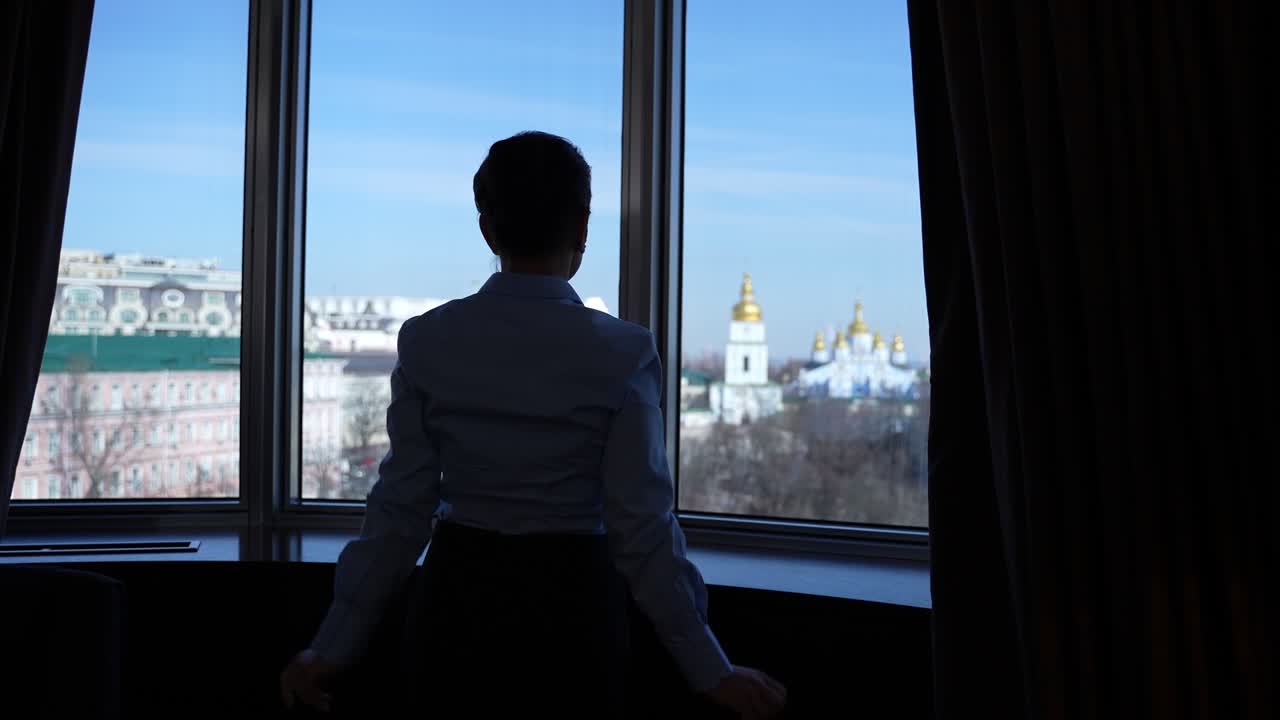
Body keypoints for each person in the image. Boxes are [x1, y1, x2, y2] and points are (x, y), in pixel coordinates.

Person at [280, 131, 787, 718]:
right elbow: (643, 530)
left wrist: (330, 646)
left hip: (455, 609)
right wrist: (711, 669)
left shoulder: (428, 341)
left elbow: (399, 511)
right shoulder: (621, 353)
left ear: (487, 230)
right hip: (574, 615)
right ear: (583, 229)